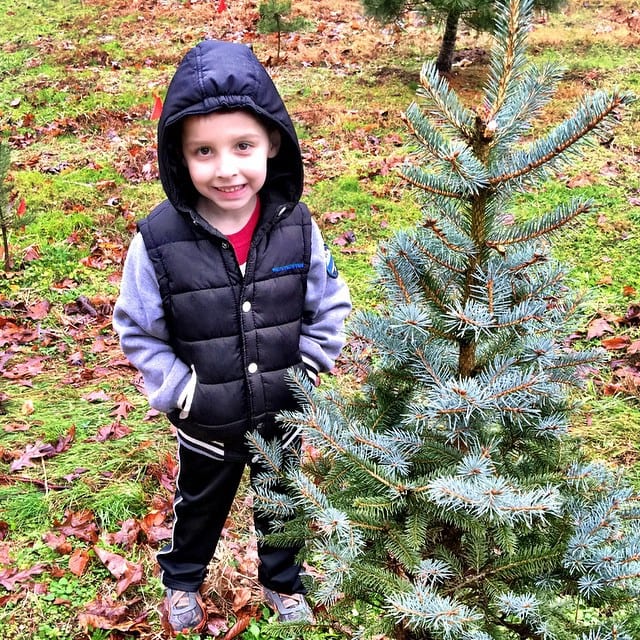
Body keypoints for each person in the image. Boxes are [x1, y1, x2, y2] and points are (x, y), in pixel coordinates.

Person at [113, 39, 351, 636]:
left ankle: (282, 582)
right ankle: (184, 580)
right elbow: (138, 327)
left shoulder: (296, 227)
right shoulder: (159, 240)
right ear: (179, 155)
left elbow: (330, 304)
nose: (226, 169)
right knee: (199, 507)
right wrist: (179, 390)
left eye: (243, 146)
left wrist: (310, 368)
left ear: (272, 142)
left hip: (282, 413)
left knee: (282, 505)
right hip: (206, 420)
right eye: (203, 151)